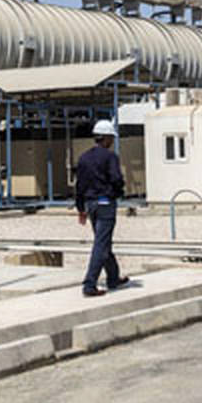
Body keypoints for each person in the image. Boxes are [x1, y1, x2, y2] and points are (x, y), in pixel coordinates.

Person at [75, 120, 129, 297]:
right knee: (101, 244)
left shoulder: (84, 158)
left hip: (91, 204)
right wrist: (118, 192)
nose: (112, 141)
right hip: (105, 203)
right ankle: (89, 284)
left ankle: (113, 277)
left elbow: (80, 185)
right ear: (105, 138)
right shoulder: (110, 157)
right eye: (111, 138)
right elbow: (116, 179)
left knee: (103, 241)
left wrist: (80, 208)